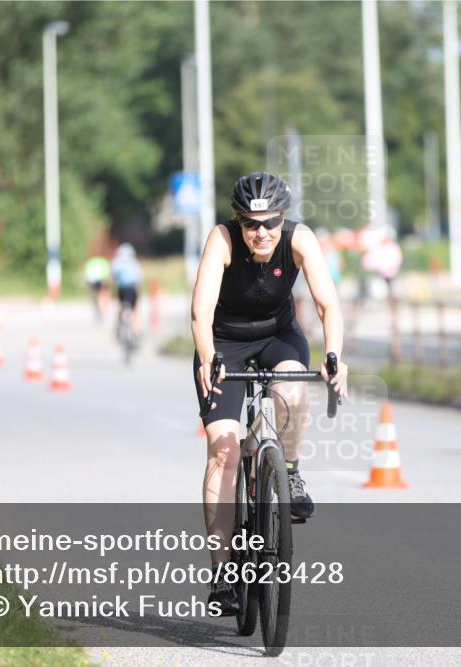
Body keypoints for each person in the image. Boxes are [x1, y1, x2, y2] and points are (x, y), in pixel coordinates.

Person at [191, 171, 348, 613]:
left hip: (279, 336)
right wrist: (208, 357)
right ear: (238, 222)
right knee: (222, 450)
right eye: (250, 224)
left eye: (270, 223)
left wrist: (333, 354)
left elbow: (327, 303)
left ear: (283, 218)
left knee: (294, 388)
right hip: (224, 344)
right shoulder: (221, 240)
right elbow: (200, 311)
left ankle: (291, 470)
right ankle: (223, 575)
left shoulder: (299, 239)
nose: (261, 233)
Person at [110, 243, 143, 335]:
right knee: (134, 310)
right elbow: (139, 280)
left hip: (122, 289)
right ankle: (136, 330)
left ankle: (121, 324)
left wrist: (112, 292)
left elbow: (112, 279)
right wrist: (139, 293)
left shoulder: (116, 262)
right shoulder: (135, 262)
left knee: (122, 306)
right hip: (132, 289)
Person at [83, 255, 110, 321]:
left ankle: (97, 304)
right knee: (101, 295)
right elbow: (106, 272)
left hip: (92, 281)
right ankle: (101, 307)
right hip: (100, 280)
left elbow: (87, 272)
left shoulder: (91, 262)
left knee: (95, 295)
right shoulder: (103, 261)